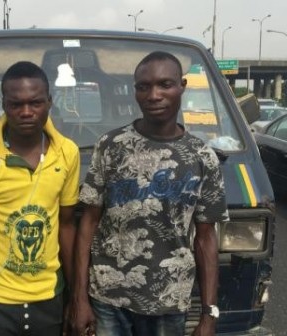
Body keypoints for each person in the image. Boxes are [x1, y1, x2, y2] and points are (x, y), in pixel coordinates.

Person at [71, 51, 229, 336]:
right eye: (144, 87)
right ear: (135, 91)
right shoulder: (110, 146)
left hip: (169, 302)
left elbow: (206, 238)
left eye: (164, 84)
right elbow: (88, 223)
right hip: (108, 298)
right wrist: (79, 299)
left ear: (182, 85)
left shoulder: (202, 157)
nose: (153, 95)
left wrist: (209, 315)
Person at [0, 61, 80, 336]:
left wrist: (77, 299)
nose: (26, 112)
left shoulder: (68, 153)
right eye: (15, 104)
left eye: (35, 103)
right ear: (3, 105)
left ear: (49, 102)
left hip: (50, 299)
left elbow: (67, 227)